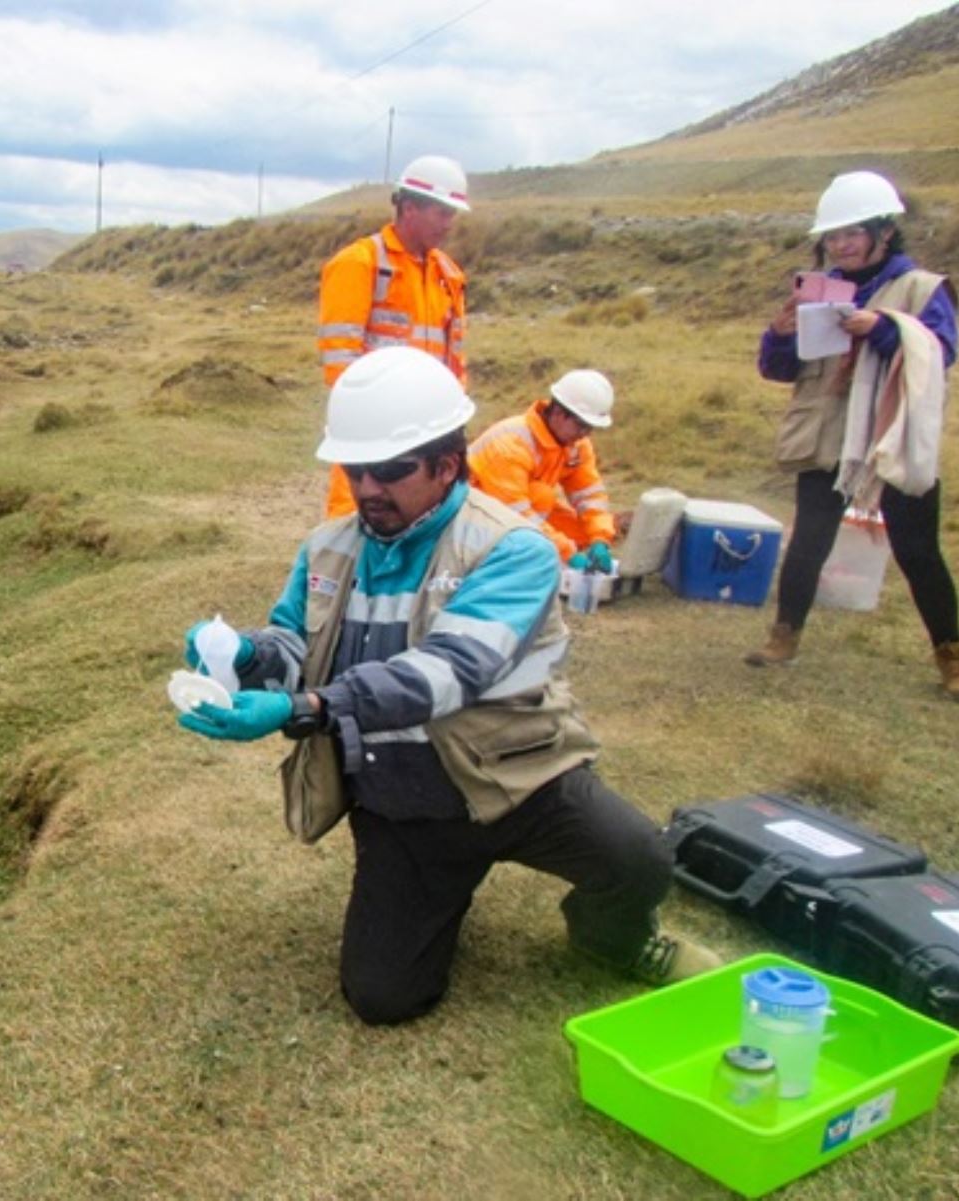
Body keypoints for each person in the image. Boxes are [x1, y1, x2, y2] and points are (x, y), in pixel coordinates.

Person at [175, 347, 718, 1027]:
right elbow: (297, 646)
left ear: (447, 464)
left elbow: (449, 671)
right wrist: (249, 656)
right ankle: (435, 886)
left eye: (392, 470)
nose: (369, 487)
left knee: (642, 860)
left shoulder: (512, 548)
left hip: (521, 780)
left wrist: (308, 706)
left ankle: (614, 940)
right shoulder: (326, 547)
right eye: (355, 468)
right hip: (401, 802)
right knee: (382, 997)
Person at [745, 170, 959, 701]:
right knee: (809, 539)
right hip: (828, 434)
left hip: (891, 435)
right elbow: (782, 369)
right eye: (832, 236)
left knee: (918, 548)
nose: (841, 245)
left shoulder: (922, 288)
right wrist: (779, 336)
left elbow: (939, 353)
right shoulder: (820, 289)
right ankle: (784, 636)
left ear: (886, 232)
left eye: (853, 233)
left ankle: (952, 658)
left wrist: (880, 329)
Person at [317, 154, 470, 518]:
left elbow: (455, 360)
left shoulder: (448, 274)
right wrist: (371, 419)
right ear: (410, 208)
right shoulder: (359, 263)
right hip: (374, 427)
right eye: (442, 213)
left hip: (429, 428)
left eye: (452, 214)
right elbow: (339, 360)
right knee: (358, 520)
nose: (449, 224)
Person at [468, 369, 619, 571]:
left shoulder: (575, 444)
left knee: (584, 532)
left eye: (590, 428)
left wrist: (600, 539)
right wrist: (568, 554)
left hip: (518, 513)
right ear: (558, 413)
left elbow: (590, 494)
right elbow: (517, 513)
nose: (585, 434)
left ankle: (535, 554)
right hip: (474, 518)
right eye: (581, 426)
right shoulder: (510, 444)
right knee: (541, 496)